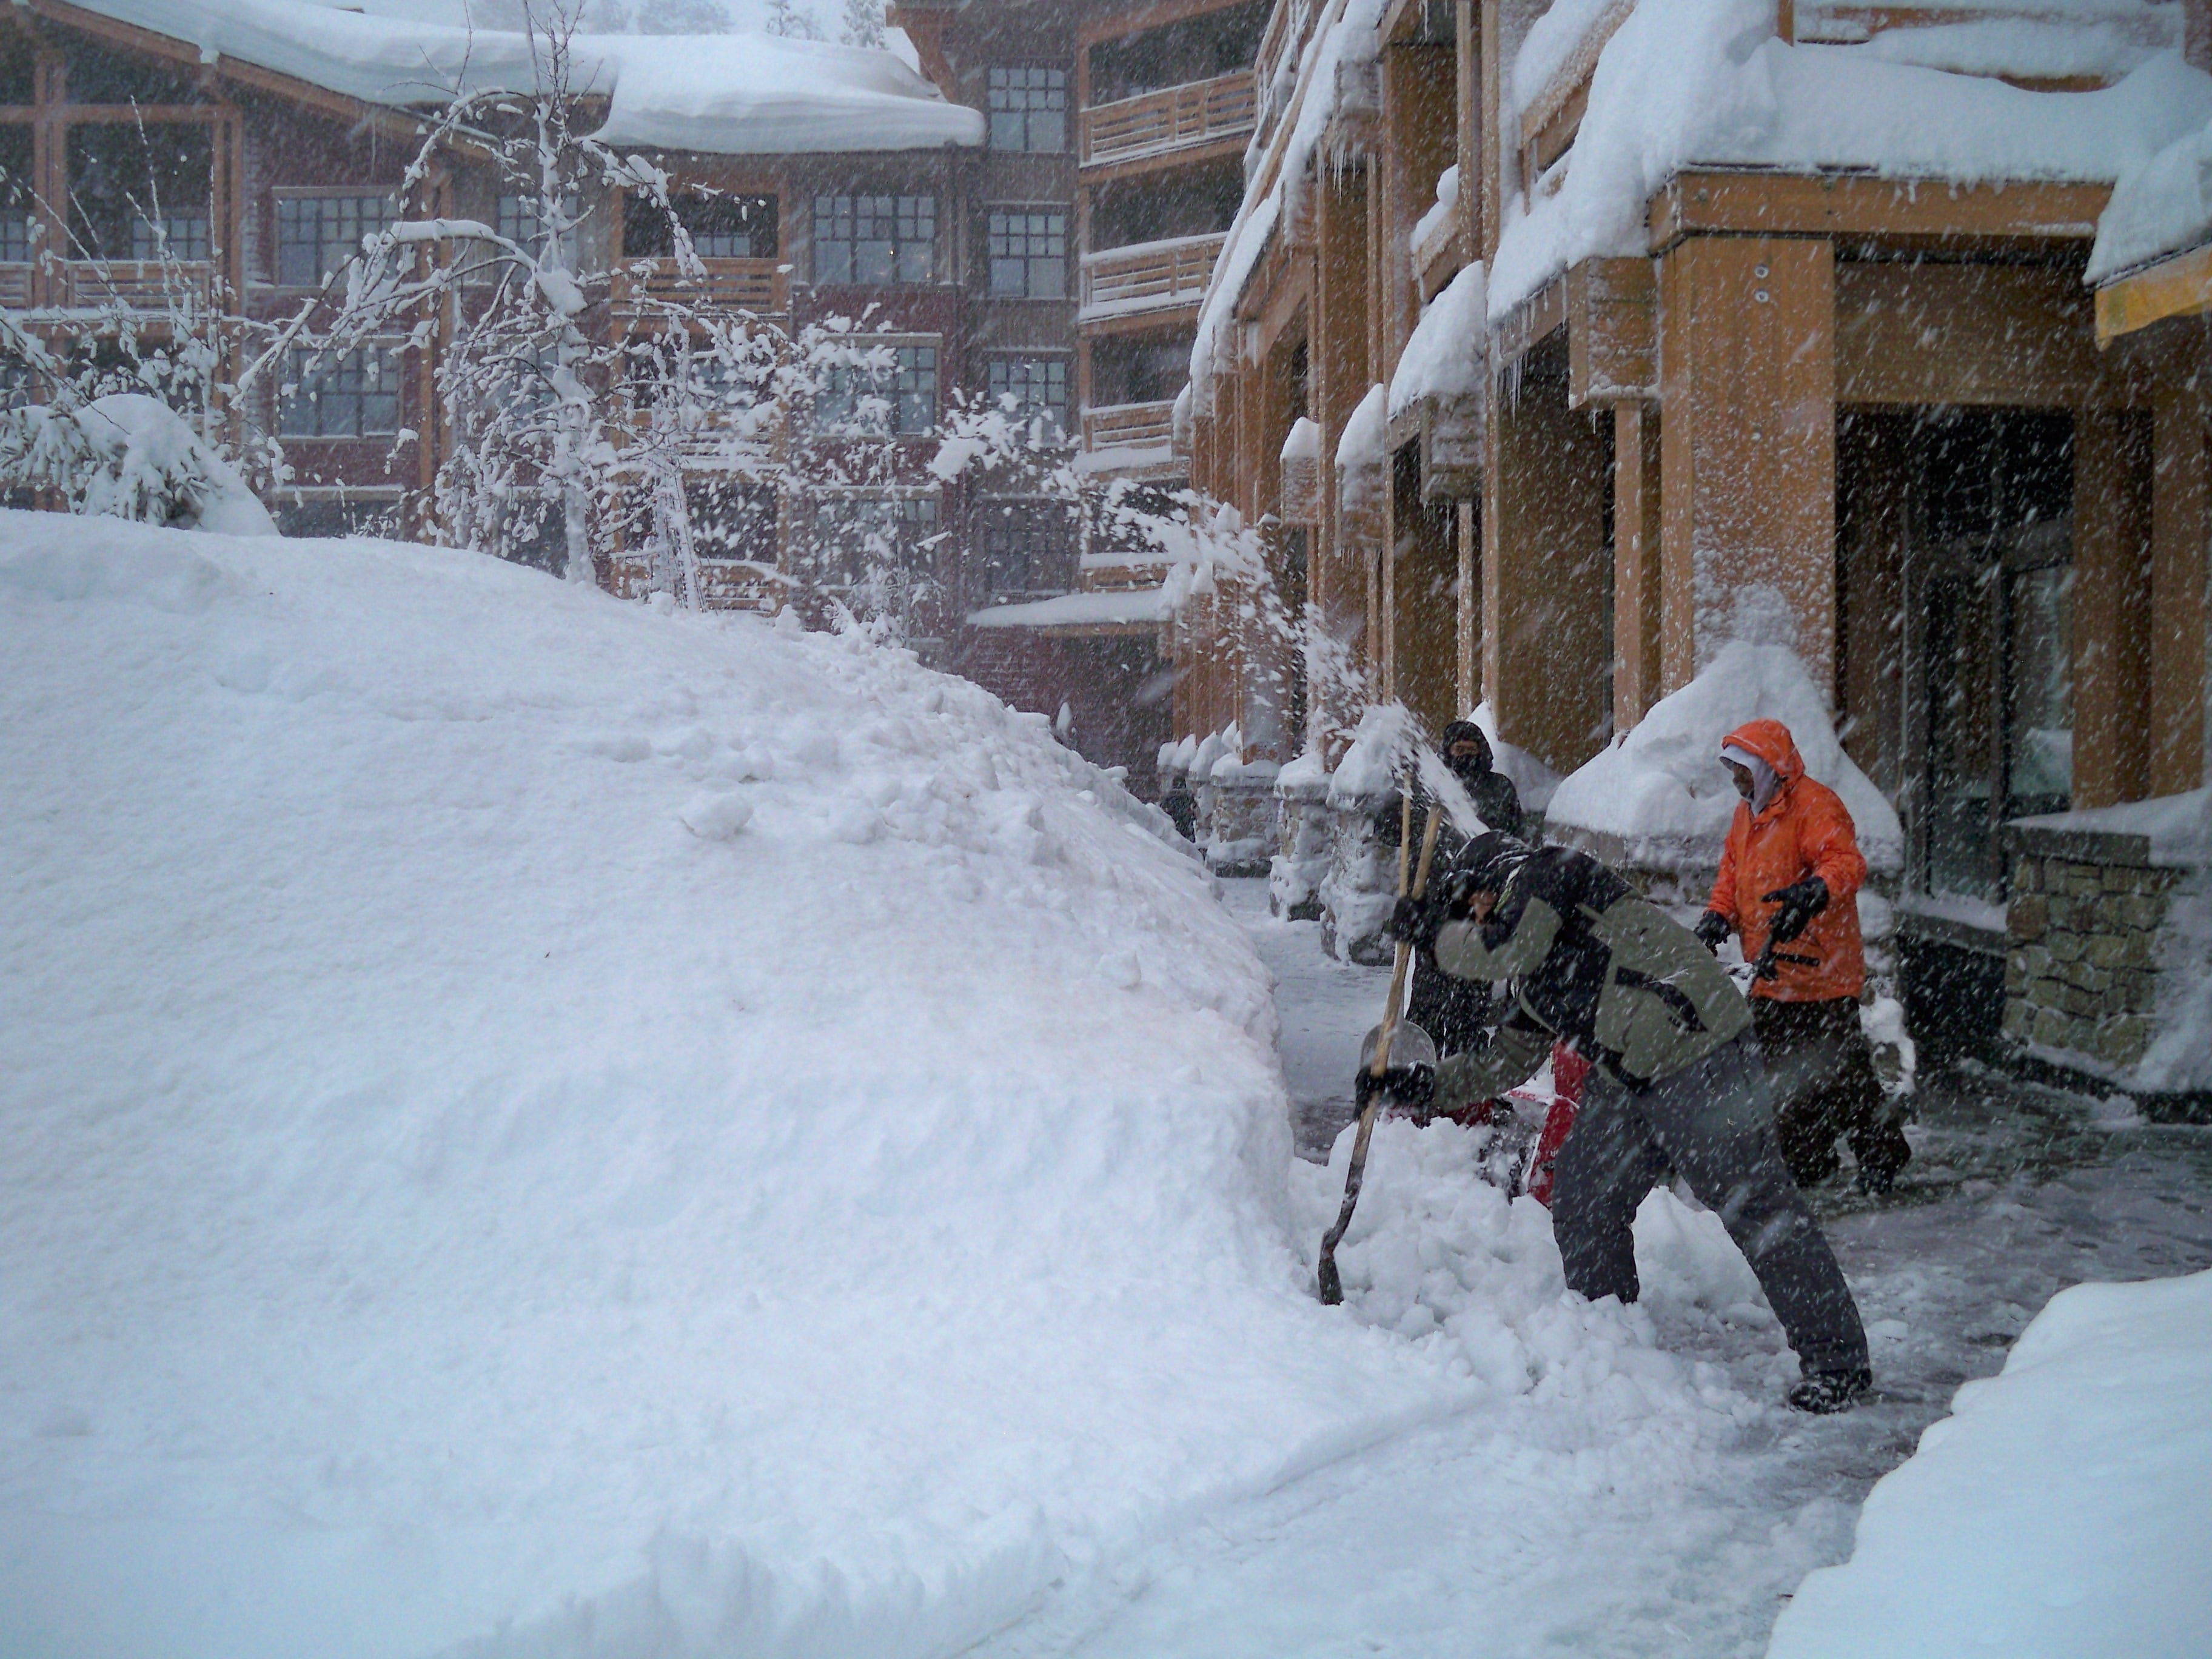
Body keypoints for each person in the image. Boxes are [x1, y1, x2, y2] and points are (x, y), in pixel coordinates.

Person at [1366, 833, 1874, 1413]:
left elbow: (1510, 947)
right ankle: (1611, 1338)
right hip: (1628, 1072)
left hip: (1697, 1049)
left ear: (1493, 881)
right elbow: (1504, 1059)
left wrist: (1434, 936)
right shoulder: (1533, 975)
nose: (1476, 920)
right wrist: (1422, 1086)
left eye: (1476, 906)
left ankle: (1838, 1362)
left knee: (1757, 1207)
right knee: (1585, 1197)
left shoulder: (1552, 874)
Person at [1692, 720, 1911, 1196]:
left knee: (1843, 1076)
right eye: (1731, 770)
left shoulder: (1815, 805)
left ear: (1766, 768)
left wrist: (1813, 892)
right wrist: (1716, 917)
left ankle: (1882, 1154)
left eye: (1742, 771)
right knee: (1779, 1075)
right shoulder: (1746, 816)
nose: (1736, 780)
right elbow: (1733, 877)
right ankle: (1809, 1160)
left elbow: (1846, 863)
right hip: (1774, 972)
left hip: (1822, 971)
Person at [1373, 720, 1524, 1056]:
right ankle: (1420, 1067)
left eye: (1473, 750)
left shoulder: (1499, 790)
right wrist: (1403, 786)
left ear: (1483, 753)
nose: (1466, 757)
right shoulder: (1428, 788)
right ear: (1447, 753)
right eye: (1459, 750)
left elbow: (1517, 840)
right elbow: (1386, 828)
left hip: (1480, 909)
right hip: (1433, 908)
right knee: (1429, 994)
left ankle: (1464, 1074)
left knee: (1472, 999)